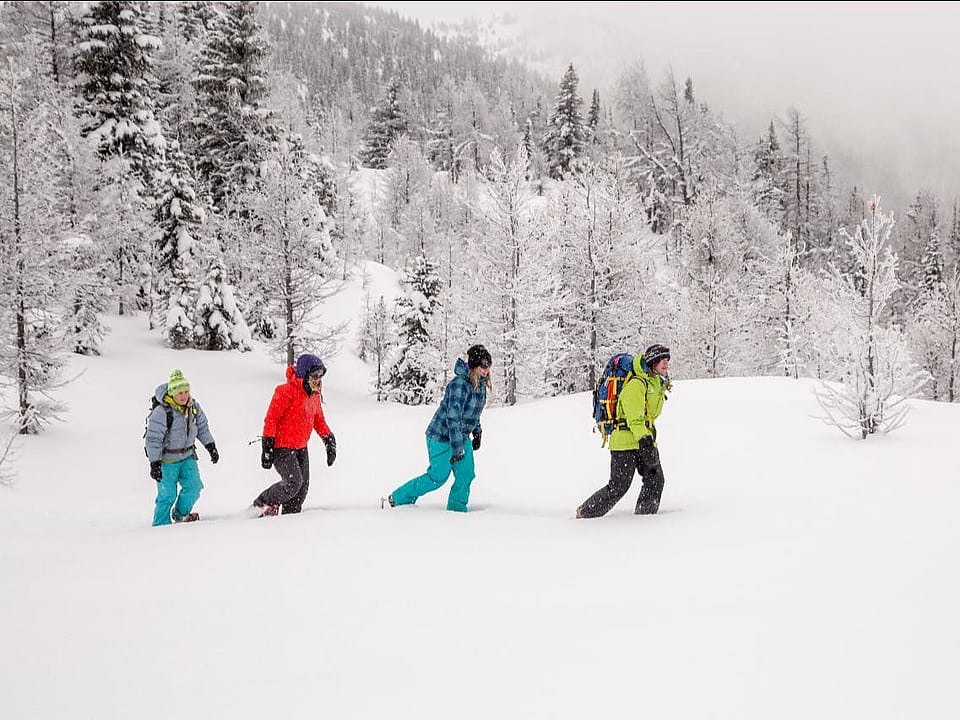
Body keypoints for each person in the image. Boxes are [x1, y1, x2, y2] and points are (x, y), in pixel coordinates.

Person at [383, 344, 492, 513]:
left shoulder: (481, 385)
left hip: (460, 436)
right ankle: (397, 499)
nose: (486, 370)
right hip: (441, 436)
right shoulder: (459, 385)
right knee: (437, 477)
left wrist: (477, 431)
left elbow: (472, 412)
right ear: (473, 366)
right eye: (482, 366)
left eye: (488, 366)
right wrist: (457, 448)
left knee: (466, 474)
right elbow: (453, 417)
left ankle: (456, 511)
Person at [577, 344, 671, 518]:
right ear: (652, 362)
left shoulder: (656, 383)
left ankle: (645, 518)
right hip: (625, 442)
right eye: (661, 360)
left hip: (644, 440)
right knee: (618, 487)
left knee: (655, 480)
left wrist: (647, 440)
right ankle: (584, 514)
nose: (665, 363)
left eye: (667, 360)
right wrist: (645, 440)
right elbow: (633, 416)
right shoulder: (637, 384)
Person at [249, 353, 336, 517]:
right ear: (304, 375)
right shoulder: (285, 392)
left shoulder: (314, 396)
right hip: (282, 448)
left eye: (321, 376)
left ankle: (290, 520)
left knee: (302, 490)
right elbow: (271, 419)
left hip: (301, 448)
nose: (318, 380)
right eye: (315, 375)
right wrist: (267, 447)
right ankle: (261, 504)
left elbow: (319, 420)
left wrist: (329, 440)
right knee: (293, 483)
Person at [144, 369, 219, 526]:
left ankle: (180, 515)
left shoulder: (193, 406)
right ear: (172, 393)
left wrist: (210, 446)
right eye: (180, 393)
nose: (184, 396)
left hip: (187, 458)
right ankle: (160, 525)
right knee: (167, 496)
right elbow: (153, 439)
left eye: (186, 391)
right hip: (167, 461)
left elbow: (202, 427)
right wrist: (154, 463)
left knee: (194, 487)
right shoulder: (162, 412)